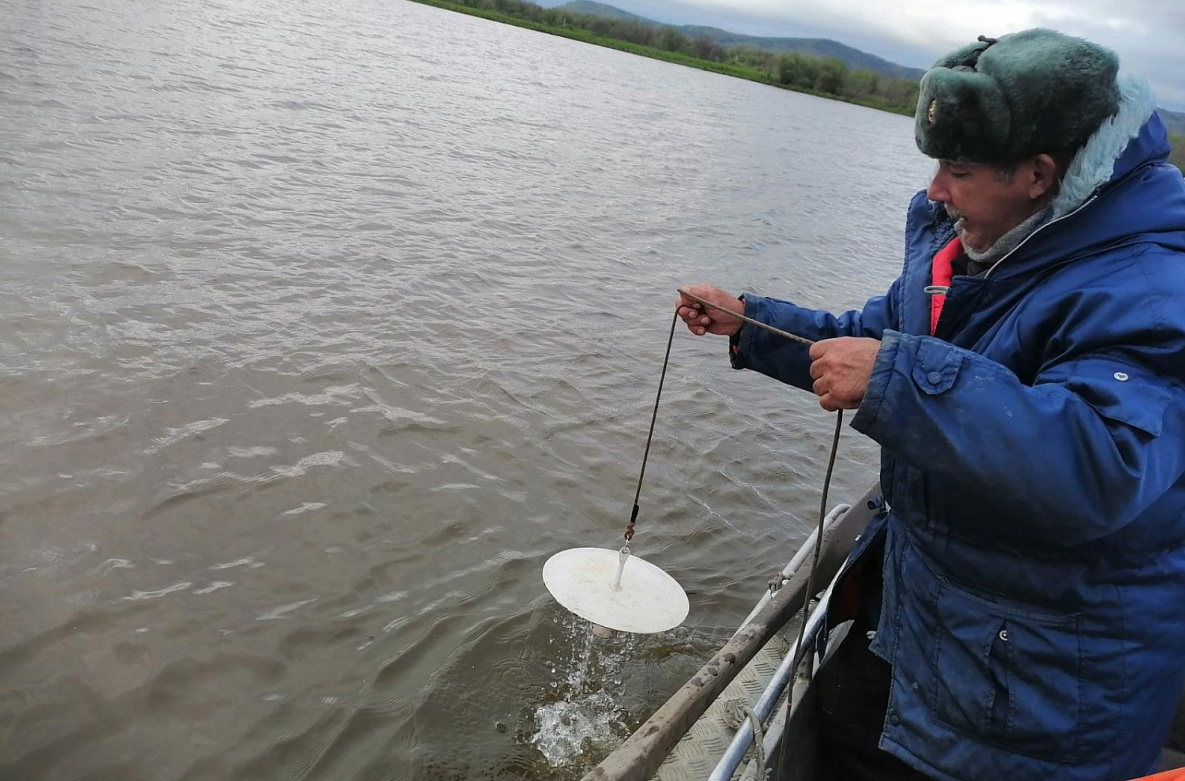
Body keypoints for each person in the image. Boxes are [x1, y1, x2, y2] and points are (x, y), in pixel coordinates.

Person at [678, 28, 1185, 781]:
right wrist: (750, 322)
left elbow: (1105, 462)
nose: (936, 190)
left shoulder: (1149, 288)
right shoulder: (982, 239)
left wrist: (898, 380)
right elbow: (870, 338)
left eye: (956, 169)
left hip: (1033, 705)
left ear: (1039, 174)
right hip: (922, 622)